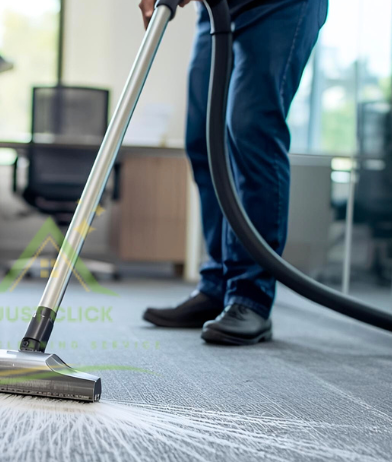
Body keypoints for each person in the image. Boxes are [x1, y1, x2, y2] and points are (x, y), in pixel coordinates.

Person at [139, 0, 327, 345]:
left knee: (250, 131)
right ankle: (217, 287)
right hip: (216, 9)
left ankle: (249, 296)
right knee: (202, 137)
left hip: (278, 7)